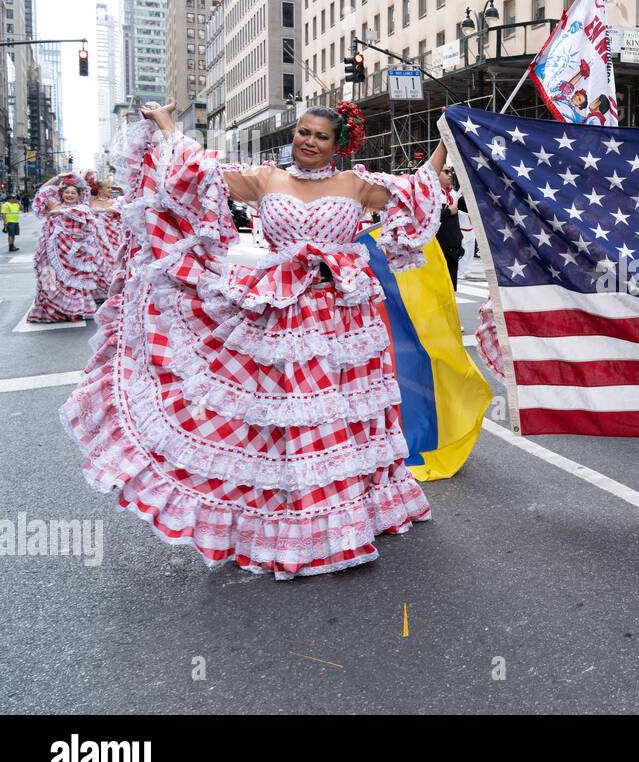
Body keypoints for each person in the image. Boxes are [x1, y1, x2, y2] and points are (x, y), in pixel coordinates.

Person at [59, 97, 448, 579]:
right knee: (292, 415)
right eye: (303, 131)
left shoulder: (358, 185)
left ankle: (355, 512)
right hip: (282, 311)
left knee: (343, 414)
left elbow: (419, 191)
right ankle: (303, 515)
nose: (307, 141)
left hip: (343, 315)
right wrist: (165, 125)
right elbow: (193, 176)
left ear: (338, 145)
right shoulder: (265, 179)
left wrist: (447, 141)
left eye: (320, 136)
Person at [28, 173, 102, 323]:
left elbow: (85, 217)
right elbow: (42, 191)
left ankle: (73, 311)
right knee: (53, 279)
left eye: (73, 192)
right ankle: (54, 311)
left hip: (74, 255)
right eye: (67, 192)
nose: (69, 195)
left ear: (79, 195)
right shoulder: (55, 205)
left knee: (74, 282)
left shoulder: (82, 208)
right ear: (62, 193)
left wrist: (77, 178)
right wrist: (58, 177)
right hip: (54, 253)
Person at [435, 159, 467, 289]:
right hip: (438, 251)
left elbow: (468, 208)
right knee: (439, 290)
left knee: (450, 290)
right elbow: (429, 220)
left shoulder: (453, 194)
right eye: (446, 171)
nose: (450, 174)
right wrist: (448, 211)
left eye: (451, 172)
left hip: (453, 251)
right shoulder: (431, 194)